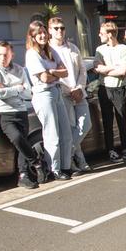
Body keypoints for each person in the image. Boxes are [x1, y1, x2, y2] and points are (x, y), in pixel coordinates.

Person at [0, 41, 40, 189]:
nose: (3, 58)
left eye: (6, 54)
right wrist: (17, 88)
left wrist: (9, 89)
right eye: (0, 54)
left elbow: (28, 92)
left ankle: (23, 175)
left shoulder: (19, 70)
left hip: (21, 111)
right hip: (3, 112)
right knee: (17, 138)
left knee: (22, 143)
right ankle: (36, 161)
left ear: (11, 54)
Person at [25, 21, 73, 179]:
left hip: (57, 91)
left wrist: (52, 70)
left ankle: (66, 166)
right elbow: (44, 78)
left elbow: (65, 72)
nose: (43, 35)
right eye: (39, 33)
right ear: (32, 35)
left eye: (44, 32)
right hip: (44, 94)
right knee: (52, 133)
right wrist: (53, 72)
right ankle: (54, 169)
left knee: (65, 132)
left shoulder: (50, 51)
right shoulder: (32, 54)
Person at [48, 17, 92, 172]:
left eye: (62, 28)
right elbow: (49, 75)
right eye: (56, 28)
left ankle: (68, 155)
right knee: (71, 128)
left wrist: (79, 87)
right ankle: (77, 161)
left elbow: (82, 70)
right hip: (63, 93)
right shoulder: (48, 50)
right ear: (50, 31)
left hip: (78, 92)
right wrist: (68, 90)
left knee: (85, 124)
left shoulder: (73, 48)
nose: (60, 31)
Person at [93, 21, 126, 162]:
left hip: (119, 88)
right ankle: (111, 150)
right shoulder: (100, 49)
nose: (99, 35)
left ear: (110, 34)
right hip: (104, 88)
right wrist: (114, 68)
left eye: (101, 33)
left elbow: (123, 71)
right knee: (107, 121)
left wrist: (106, 68)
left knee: (121, 118)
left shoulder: (123, 49)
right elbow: (96, 68)